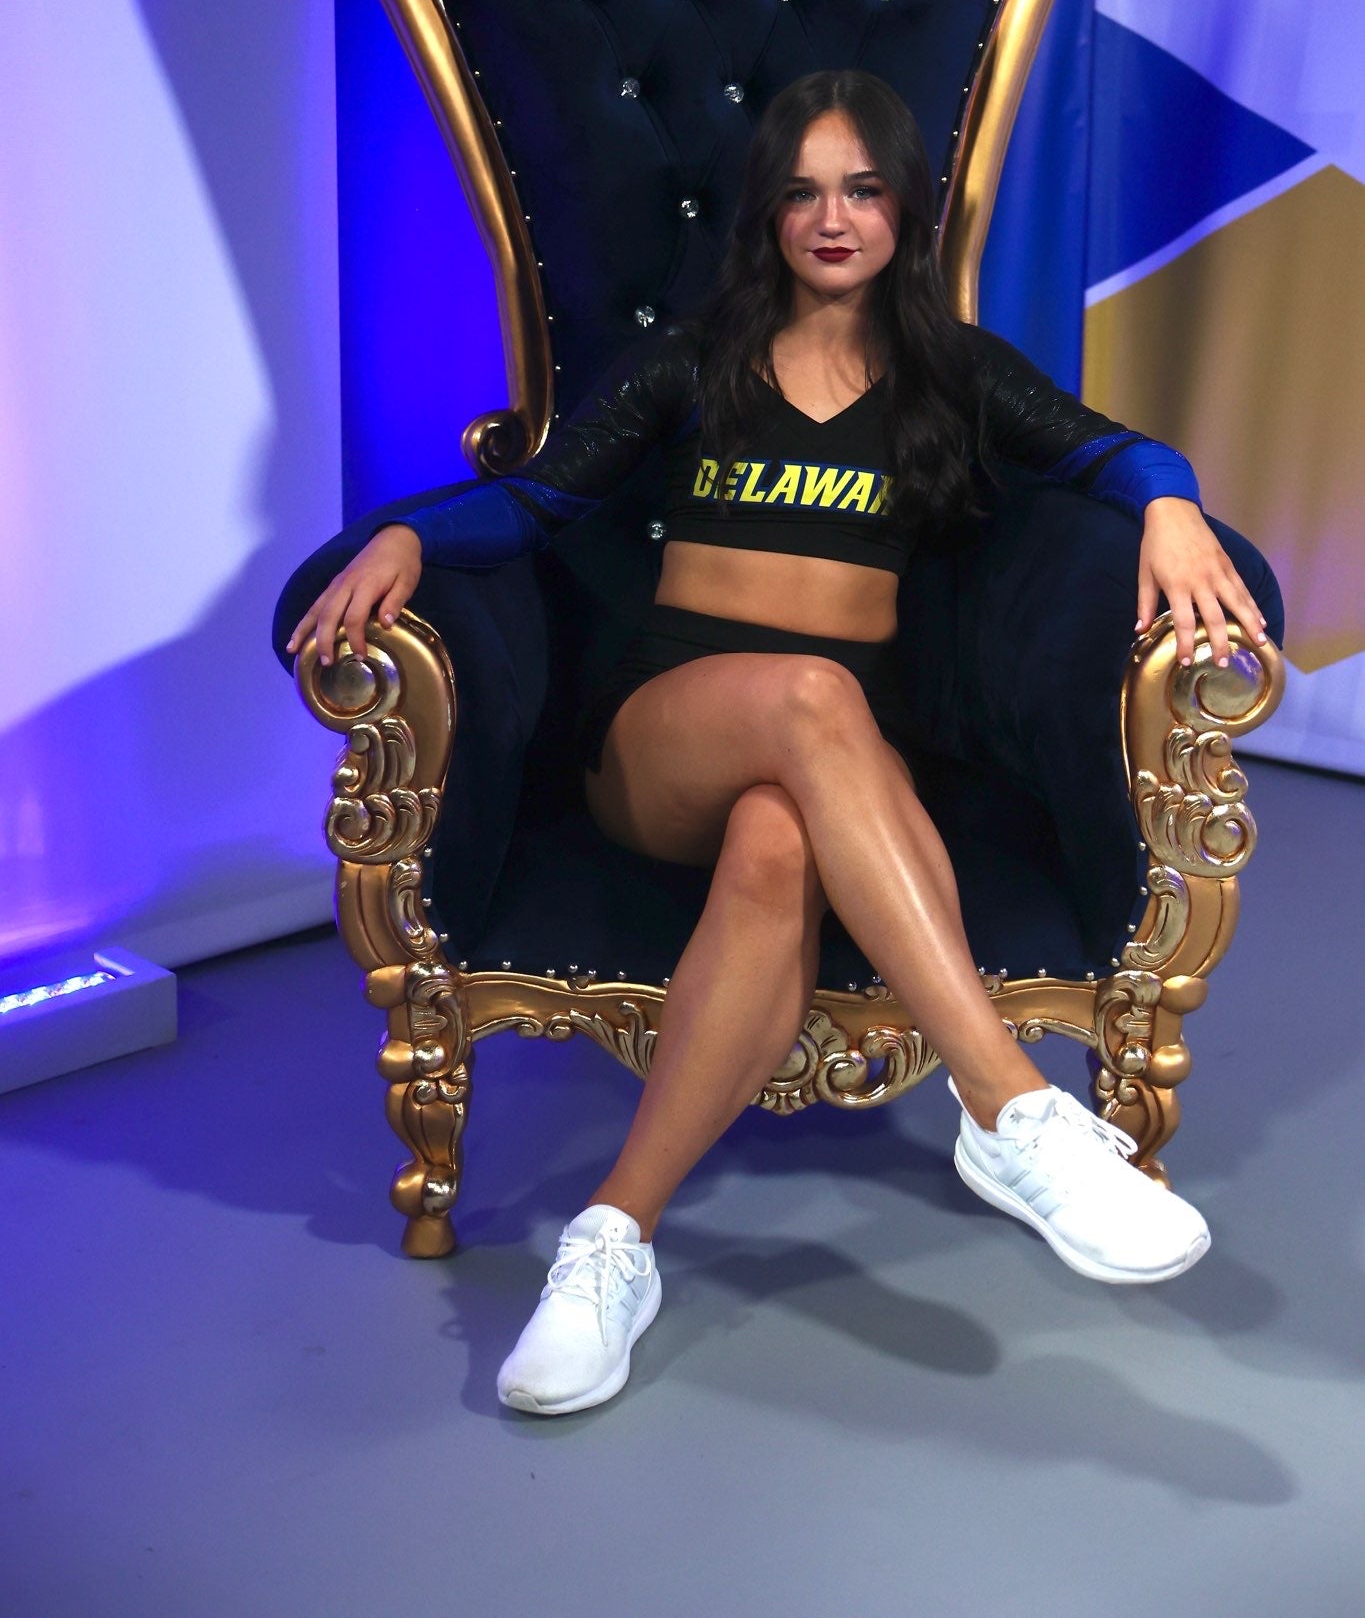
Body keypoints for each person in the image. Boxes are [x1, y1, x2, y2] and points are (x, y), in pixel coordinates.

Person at [286, 70, 1269, 1418]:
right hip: (663, 737)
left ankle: (612, 1241)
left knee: (779, 839)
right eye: (803, 193)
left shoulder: (951, 373)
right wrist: (406, 531)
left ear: (905, 209)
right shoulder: (697, 361)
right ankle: (1011, 1106)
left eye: (861, 189)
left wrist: (1171, 507)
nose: (833, 218)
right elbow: (536, 502)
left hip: (838, 758)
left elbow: (1119, 457)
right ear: (766, 213)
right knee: (806, 697)